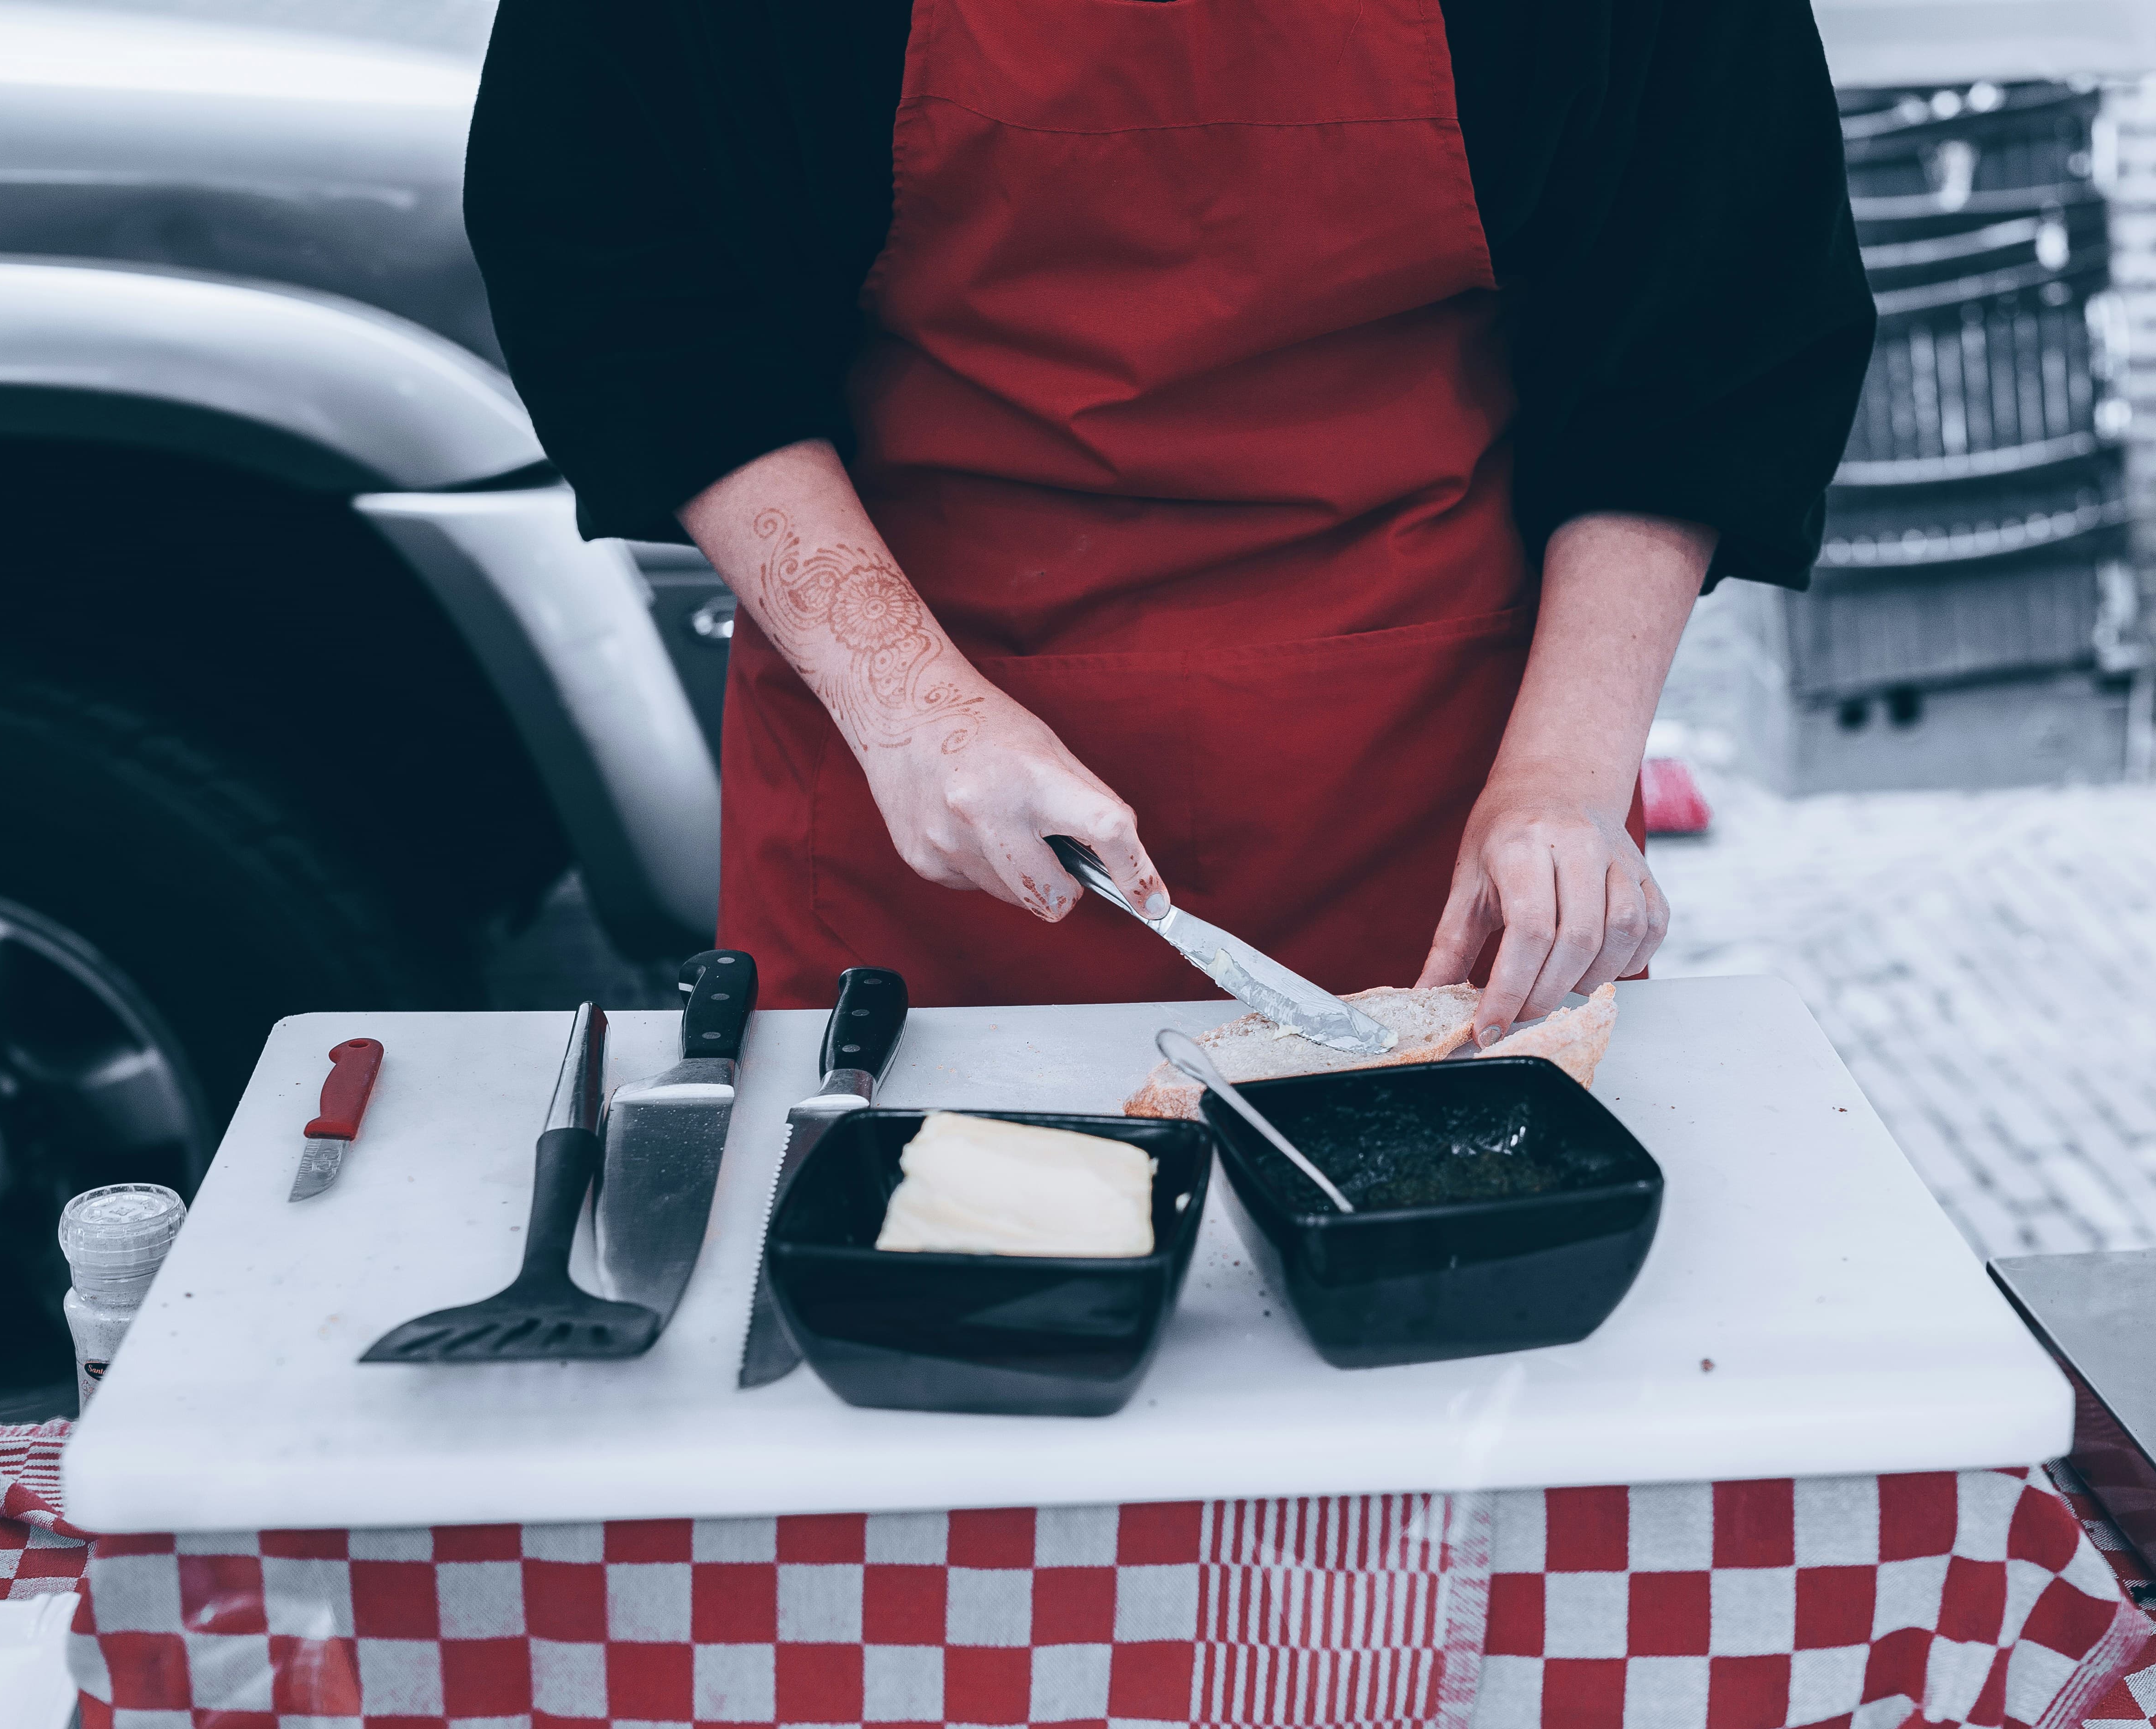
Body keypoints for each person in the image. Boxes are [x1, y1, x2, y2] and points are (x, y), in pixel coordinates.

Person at [465, 0, 1872, 1041]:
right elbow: (622, 261)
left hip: (1442, 798)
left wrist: (1564, 776)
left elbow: (1708, 302)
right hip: (925, 789)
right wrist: (906, 702)